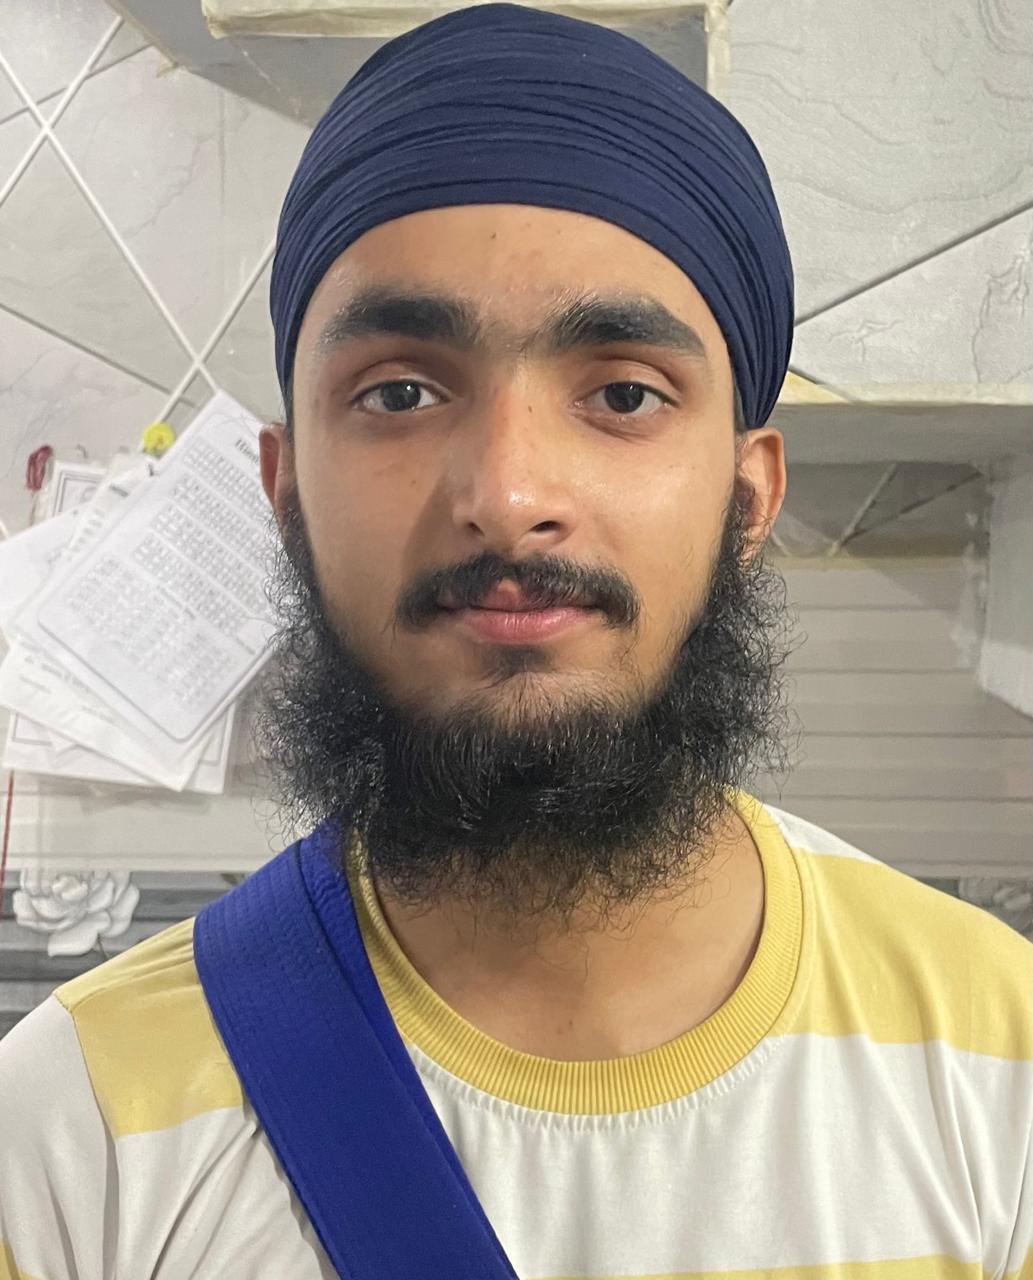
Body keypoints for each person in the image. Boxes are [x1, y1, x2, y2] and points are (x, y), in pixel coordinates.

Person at [1, 5, 1030, 1278]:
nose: (505, 491)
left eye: (623, 393)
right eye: (399, 392)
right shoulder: (71, 1133)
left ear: (748, 497)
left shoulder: (1002, 1068)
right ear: (287, 494)